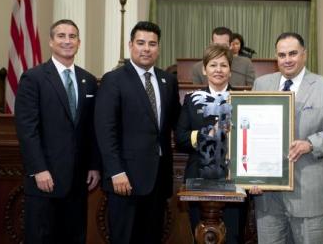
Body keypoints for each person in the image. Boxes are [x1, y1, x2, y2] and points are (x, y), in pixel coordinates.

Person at [250, 32, 323, 244]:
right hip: (269, 196)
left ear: (304, 54)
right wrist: (251, 175)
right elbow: (251, 132)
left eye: (293, 53)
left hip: (310, 196)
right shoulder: (261, 84)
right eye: (282, 55)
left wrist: (311, 143)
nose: (287, 59)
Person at [15, 19, 101, 243]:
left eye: (72, 36)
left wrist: (93, 165)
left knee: (74, 237)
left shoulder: (89, 81)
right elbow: (27, 129)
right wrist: (39, 169)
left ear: (79, 42)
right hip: (46, 179)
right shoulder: (33, 78)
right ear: (51, 42)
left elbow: (91, 129)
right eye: (61, 36)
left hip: (78, 181)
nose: (67, 41)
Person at [94, 21, 181, 244]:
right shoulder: (113, 80)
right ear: (131, 45)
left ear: (158, 48)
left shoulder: (167, 80)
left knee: (152, 238)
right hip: (126, 179)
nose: (146, 48)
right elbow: (105, 130)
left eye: (152, 44)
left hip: (158, 180)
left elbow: (177, 122)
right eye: (141, 43)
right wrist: (115, 172)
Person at [176, 44, 246, 243]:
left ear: (230, 71)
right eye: (213, 65)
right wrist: (209, 134)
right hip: (198, 179)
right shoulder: (192, 100)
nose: (218, 70)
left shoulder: (242, 99)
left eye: (223, 65)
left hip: (233, 179)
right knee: (202, 237)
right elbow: (180, 138)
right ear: (204, 70)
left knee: (232, 236)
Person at [191, 27, 256, 86]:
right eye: (216, 45)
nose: (220, 49)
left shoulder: (246, 64)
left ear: (231, 45)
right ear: (211, 44)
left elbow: (252, 91)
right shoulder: (198, 68)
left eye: (223, 45)